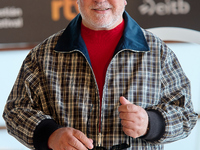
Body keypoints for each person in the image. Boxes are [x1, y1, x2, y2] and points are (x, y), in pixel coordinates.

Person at [3, 0, 198, 150]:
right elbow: (15, 111)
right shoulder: (43, 54)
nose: (100, 0)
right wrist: (50, 135)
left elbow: (186, 115)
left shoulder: (158, 52)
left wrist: (151, 123)